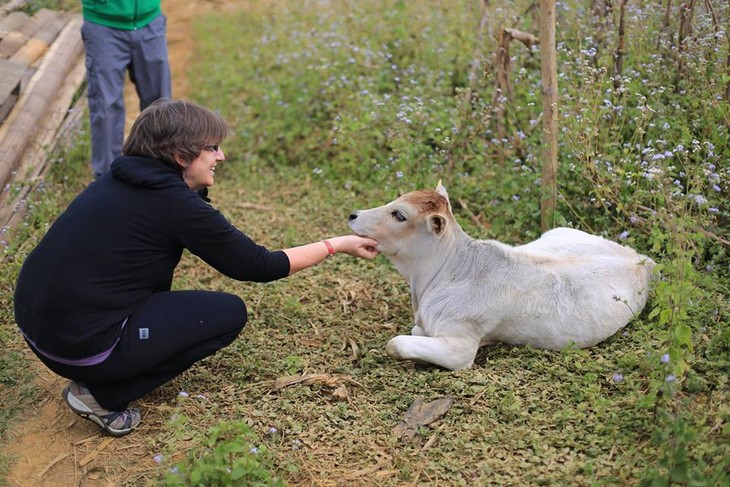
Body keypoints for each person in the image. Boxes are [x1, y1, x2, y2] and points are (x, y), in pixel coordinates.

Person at [13, 99, 379, 437]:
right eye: (212, 148)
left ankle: (107, 361)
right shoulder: (173, 205)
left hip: (38, 329)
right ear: (179, 154)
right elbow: (260, 265)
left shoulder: (121, 178)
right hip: (79, 346)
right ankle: (102, 395)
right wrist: (337, 244)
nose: (221, 155)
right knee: (227, 313)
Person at [81, 0, 172, 178]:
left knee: (160, 104)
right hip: (104, 24)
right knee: (106, 107)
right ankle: (107, 181)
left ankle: (162, 174)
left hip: (150, 20)